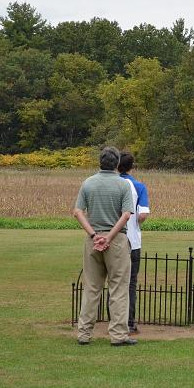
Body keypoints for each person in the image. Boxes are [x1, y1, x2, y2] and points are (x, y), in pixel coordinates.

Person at [72, 146, 137, 346]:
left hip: (93, 240)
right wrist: (109, 237)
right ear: (116, 163)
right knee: (118, 288)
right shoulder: (123, 185)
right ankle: (118, 335)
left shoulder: (88, 183)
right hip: (116, 241)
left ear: (100, 162)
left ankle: (84, 334)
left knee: (91, 287)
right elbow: (126, 215)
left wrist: (94, 235)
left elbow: (77, 212)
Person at [117, 151, 150, 334]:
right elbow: (143, 214)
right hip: (132, 240)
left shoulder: (112, 184)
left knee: (114, 281)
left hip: (111, 239)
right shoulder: (138, 186)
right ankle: (129, 323)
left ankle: (114, 320)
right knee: (130, 283)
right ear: (132, 166)